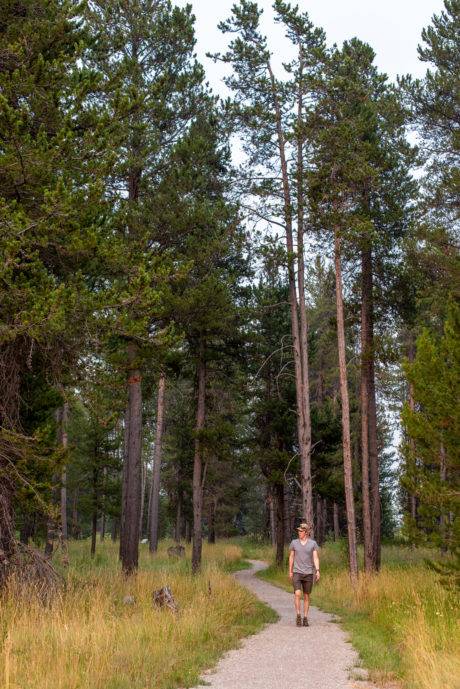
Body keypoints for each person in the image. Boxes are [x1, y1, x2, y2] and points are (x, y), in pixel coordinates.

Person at [288, 522, 320, 627]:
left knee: (306, 596)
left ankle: (305, 617)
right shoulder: (294, 543)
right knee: (297, 594)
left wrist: (317, 570)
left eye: (301, 531)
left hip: (308, 573)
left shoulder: (312, 544)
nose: (299, 532)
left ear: (306, 532)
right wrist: (290, 570)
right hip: (297, 572)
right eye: (298, 531)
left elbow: (315, 558)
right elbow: (291, 557)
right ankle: (298, 615)